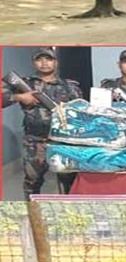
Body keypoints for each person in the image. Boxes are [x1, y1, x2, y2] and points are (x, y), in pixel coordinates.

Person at [2, 47, 81, 199]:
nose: (44, 63)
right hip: (35, 142)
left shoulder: (70, 86)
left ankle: (69, 215)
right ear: (34, 62)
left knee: (68, 181)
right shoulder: (24, 84)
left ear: (56, 62)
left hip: (63, 143)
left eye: (49, 59)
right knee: (32, 182)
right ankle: (33, 216)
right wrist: (20, 97)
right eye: (40, 59)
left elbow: (80, 113)